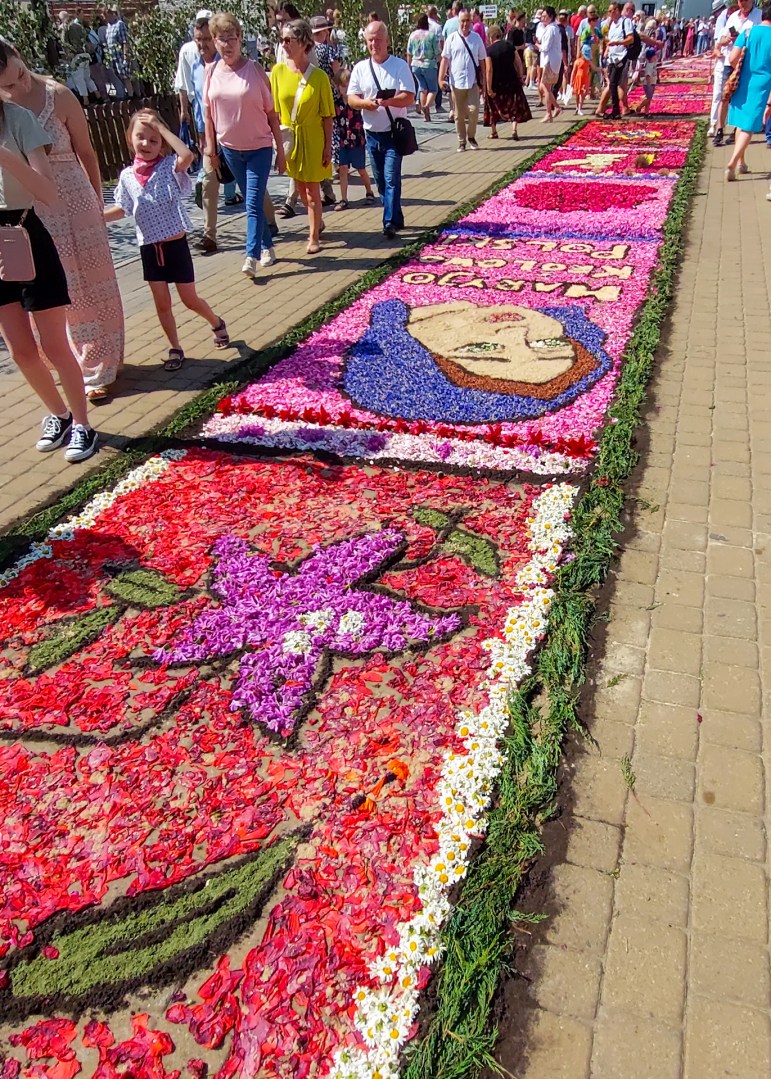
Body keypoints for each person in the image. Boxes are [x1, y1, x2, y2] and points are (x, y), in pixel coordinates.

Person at [0, 42, 124, 402]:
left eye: (20, 73)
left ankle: (103, 364)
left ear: (20, 56)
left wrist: (98, 202)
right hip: (34, 210)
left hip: (76, 198)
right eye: (8, 85)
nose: (19, 85)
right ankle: (71, 364)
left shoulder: (58, 95)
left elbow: (87, 151)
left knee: (94, 281)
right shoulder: (5, 114)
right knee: (59, 288)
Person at [0, 99, 97, 462]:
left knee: (54, 346)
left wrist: (4, 156)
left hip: (24, 233)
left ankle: (84, 425)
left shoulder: (18, 119)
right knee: (20, 350)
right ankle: (60, 415)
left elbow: (48, 192)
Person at [105, 110, 230, 370]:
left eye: (154, 140)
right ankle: (175, 347)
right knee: (162, 303)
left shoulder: (170, 166)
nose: (146, 144)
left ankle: (216, 322)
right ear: (129, 138)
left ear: (162, 142)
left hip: (175, 246)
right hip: (149, 248)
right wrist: (97, 217)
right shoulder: (126, 176)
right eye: (141, 137)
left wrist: (160, 128)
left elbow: (188, 156)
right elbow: (122, 208)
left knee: (189, 299)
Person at [205, 12, 285, 276]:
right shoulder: (210, 71)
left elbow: (272, 114)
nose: (227, 44)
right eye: (221, 39)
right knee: (253, 202)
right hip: (230, 149)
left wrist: (281, 152)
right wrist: (210, 148)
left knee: (252, 202)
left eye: (231, 38)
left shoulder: (255, 70)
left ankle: (250, 256)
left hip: (259, 148)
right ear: (214, 41)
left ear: (240, 39)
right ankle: (267, 246)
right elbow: (208, 114)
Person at [271, 18, 334, 255]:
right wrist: (278, 143)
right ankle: (317, 221)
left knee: (312, 191)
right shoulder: (277, 72)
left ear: (304, 42)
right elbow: (275, 112)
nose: (284, 44)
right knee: (300, 188)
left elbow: (327, 116)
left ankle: (313, 236)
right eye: (282, 39)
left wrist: (328, 146)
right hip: (291, 139)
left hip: (313, 138)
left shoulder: (319, 77)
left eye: (289, 40)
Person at [178, 15, 240, 256]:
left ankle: (268, 221)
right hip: (208, 137)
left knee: (246, 182)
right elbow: (199, 105)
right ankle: (209, 236)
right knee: (208, 184)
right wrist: (202, 135)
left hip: (231, 135)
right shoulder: (196, 67)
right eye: (198, 39)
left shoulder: (226, 65)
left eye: (205, 39)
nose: (202, 44)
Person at [347, 21, 415, 239]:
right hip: (372, 134)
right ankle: (396, 216)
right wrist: (365, 104)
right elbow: (351, 98)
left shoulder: (399, 66)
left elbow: (409, 96)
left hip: (393, 133)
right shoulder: (360, 68)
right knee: (381, 182)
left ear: (386, 41)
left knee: (391, 177)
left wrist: (389, 102)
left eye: (377, 40)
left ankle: (388, 222)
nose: (374, 44)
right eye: (370, 40)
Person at [725, 1, 771, 182]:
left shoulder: (747, 32)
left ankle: (741, 163)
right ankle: (732, 163)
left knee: (742, 123)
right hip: (763, 85)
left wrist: (741, 70)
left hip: (744, 81)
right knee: (748, 127)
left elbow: (732, 58)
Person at [714, 0, 762, 145]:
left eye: (745, 0)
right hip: (730, 62)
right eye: (740, 1)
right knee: (724, 97)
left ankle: (737, 130)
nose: (742, 4)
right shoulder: (733, 17)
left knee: (743, 98)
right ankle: (719, 130)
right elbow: (721, 38)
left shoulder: (758, 16)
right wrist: (726, 40)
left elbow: (761, 38)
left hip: (747, 63)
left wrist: (743, 39)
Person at [439, 9, 487, 150]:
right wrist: (440, 78)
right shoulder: (452, 39)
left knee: (473, 111)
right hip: (456, 83)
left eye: (467, 20)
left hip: (472, 82)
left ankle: (471, 136)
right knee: (458, 115)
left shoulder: (476, 39)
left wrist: (484, 80)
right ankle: (461, 140)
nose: (465, 24)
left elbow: (482, 60)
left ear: (471, 21)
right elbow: (445, 60)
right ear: (458, 22)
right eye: (462, 21)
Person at [332, 68, 376, 209]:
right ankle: (344, 199)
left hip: (357, 140)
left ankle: (369, 191)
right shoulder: (336, 103)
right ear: (337, 87)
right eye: (343, 86)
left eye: (348, 85)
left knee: (361, 168)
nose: (345, 89)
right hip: (342, 140)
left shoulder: (357, 102)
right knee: (343, 169)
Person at [309, 15, 341, 207]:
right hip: (330, 95)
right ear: (325, 32)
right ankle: (337, 164)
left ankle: (327, 182)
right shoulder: (329, 50)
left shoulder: (308, 50)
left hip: (313, 97)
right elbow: (337, 72)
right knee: (332, 132)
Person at [484, 23, 531, 138]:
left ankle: (494, 131)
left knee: (492, 107)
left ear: (491, 37)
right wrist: (520, 76)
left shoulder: (489, 51)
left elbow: (489, 70)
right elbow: (518, 62)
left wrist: (488, 87)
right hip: (511, 81)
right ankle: (514, 129)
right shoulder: (509, 46)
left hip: (496, 83)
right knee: (514, 106)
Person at [710, 2, 738, 137]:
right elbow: (717, 44)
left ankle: (734, 127)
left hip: (738, 63)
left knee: (735, 98)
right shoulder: (725, 23)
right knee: (720, 95)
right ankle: (715, 125)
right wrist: (719, 47)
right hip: (724, 63)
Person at [408, 13, 441, 120]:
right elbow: (437, 51)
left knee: (422, 88)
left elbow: (409, 52)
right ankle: (426, 106)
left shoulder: (412, 35)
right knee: (433, 89)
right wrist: (439, 62)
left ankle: (426, 115)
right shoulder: (431, 35)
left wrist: (409, 66)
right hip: (429, 64)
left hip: (415, 65)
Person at [572, 9, 601, 113]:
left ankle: (588, 96)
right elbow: (580, 39)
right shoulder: (584, 25)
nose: (593, 15)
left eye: (594, 12)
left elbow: (601, 37)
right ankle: (578, 106)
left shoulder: (597, 27)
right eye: (590, 13)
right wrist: (578, 50)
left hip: (592, 54)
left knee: (585, 86)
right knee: (578, 91)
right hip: (585, 54)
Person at [536, 7, 562, 120]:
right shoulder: (552, 28)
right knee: (547, 87)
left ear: (550, 17)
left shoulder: (551, 29)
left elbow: (545, 47)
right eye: (541, 16)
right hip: (552, 61)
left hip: (549, 61)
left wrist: (537, 45)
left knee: (545, 87)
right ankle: (551, 111)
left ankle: (553, 109)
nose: (542, 19)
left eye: (544, 16)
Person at [105, 8, 136, 99]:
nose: (106, 19)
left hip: (120, 56)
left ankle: (131, 95)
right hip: (112, 57)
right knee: (118, 77)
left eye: (107, 16)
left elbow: (125, 41)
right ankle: (124, 94)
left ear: (111, 14)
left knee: (125, 77)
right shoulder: (108, 27)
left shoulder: (119, 24)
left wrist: (125, 56)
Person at [635, 45, 658, 113]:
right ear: (652, 57)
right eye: (655, 55)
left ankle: (646, 112)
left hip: (652, 83)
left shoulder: (652, 64)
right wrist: (649, 85)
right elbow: (648, 76)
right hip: (649, 84)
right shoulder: (649, 66)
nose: (656, 56)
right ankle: (639, 108)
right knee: (648, 98)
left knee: (649, 99)